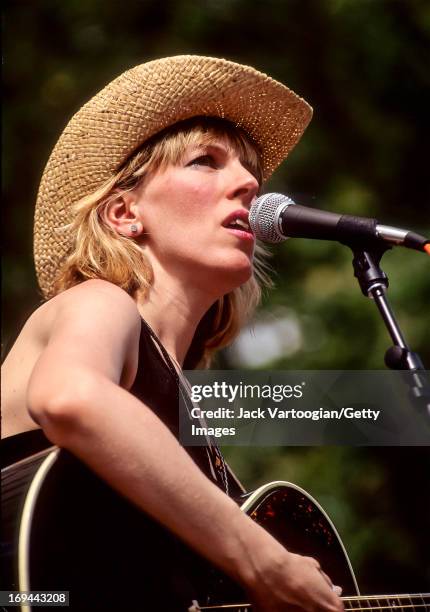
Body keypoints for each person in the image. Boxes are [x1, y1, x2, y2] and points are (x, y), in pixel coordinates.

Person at [2, 55, 343, 611]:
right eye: (206, 162)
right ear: (124, 214)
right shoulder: (100, 303)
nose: (250, 182)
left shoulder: (184, 421)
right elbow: (69, 398)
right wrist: (263, 559)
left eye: (249, 169)